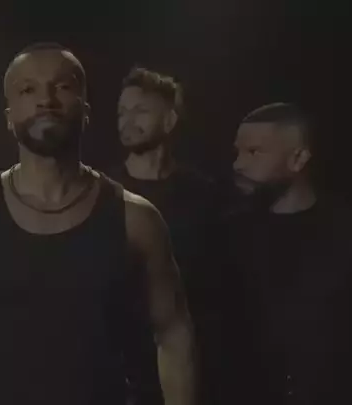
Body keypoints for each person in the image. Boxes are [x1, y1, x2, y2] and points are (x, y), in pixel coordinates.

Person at [0, 43, 196, 405]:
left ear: (86, 111)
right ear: (8, 116)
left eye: (63, 86)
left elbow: (173, 335)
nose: (46, 100)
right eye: (28, 89)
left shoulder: (136, 219)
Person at [216, 102, 352, 405]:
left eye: (254, 152)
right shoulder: (227, 236)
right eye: (238, 152)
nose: (238, 164)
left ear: (298, 158)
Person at [108, 68, 220, 402]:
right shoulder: (102, 193)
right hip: (118, 370)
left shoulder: (203, 195)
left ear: (170, 120)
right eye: (121, 112)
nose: (127, 121)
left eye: (140, 110)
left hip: (185, 366)